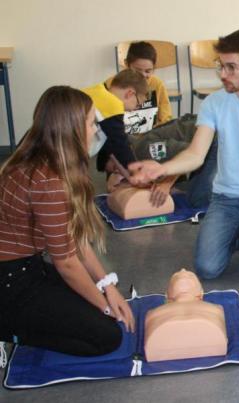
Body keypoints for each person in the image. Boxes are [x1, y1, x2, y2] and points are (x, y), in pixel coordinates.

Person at [129, 28, 239, 283]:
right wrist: (162, 170)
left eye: (231, 68)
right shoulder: (214, 104)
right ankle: (237, 233)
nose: (222, 75)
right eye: (221, 66)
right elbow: (196, 154)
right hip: (225, 199)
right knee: (207, 268)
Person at [0, 86, 134, 356]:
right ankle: (9, 328)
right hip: (12, 281)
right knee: (108, 336)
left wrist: (106, 285)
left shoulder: (40, 160)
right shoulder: (48, 182)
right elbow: (67, 263)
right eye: (90, 122)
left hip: (26, 269)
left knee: (94, 306)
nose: (95, 130)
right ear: (71, 129)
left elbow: (74, 241)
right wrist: (106, 306)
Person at [83, 69, 149, 174]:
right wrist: (137, 172)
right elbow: (120, 145)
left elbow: (107, 138)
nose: (134, 110)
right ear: (130, 93)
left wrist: (104, 163)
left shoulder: (98, 90)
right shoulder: (113, 104)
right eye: (137, 105)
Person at [109, 41, 173, 130]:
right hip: (122, 135)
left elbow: (165, 118)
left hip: (150, 136)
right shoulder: (113, 84)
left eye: (148, 71)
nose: (142, 75)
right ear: (127, 64)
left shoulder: (157, 84)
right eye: (138, 70)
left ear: (154, 68)